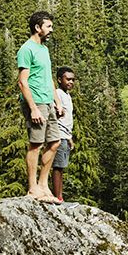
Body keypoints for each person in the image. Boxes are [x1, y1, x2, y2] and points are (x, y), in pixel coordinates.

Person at [17, 11, 64, 203]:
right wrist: (33, 108)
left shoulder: (44, 49)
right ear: (37, 28)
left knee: (55, 142)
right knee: (36, 144)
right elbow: (22, 82)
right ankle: (32, 188)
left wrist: (57, 101)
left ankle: (43, 185)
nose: (51, 30)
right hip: (35, 102)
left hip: (48, 102)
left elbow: (48, 77)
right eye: (49, 26)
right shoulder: (26, 50)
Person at [52, 67, 76, 202]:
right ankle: (57, 197)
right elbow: (54, 113)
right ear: (60, 80)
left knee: (61, 167)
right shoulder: (58, 94)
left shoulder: (67, 95)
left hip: (65, 135)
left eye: (73, 79)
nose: (71, 82)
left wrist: (70, 137)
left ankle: (60, 196)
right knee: (58, 166)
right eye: (68, 79)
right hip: (58, 135)